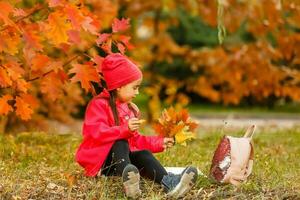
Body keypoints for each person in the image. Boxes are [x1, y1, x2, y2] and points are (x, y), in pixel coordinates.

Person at [75, 53, 198, 199]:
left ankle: (170, 183)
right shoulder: (98, 105)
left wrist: (159, 142)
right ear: (119, 86)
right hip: (101, 164)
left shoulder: (129, 109)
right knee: (120, 142)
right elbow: (97, 133)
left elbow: (136, 140)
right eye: (135, 87)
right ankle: (129, 182)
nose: (137, 92)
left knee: (143, 154)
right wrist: (124, 129)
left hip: (122, 165)